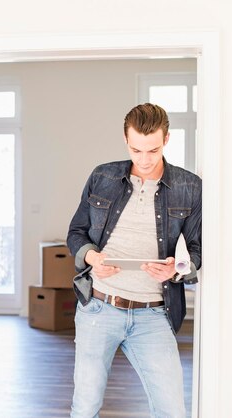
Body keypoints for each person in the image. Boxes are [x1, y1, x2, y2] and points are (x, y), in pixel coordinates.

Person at [67, 103, 202, 418]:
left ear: (166, 139)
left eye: (152, 150)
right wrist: (92, 256)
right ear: (125, 140)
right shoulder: (102, 176)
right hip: (97, 309)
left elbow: (196, 249)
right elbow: (76, 233)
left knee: (172, 411)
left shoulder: (189, 186)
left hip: (153, 315)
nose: (143, 159)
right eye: (136, 149)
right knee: (84, 408)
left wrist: (176, 269)